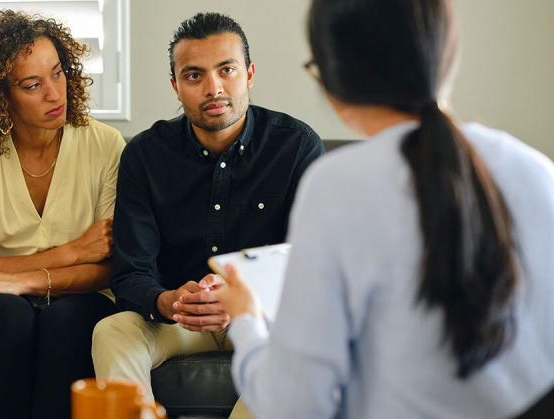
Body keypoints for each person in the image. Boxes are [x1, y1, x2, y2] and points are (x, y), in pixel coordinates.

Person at [214, 0, 554, 418]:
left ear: (333, 76)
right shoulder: (537, 171)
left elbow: (297, 405)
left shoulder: (336, 186)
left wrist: (246, 320)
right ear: (443, 55)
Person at [91, 12, 324, 418]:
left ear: (249, 74)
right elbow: (131, 271)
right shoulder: (145, 156)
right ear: (176, 86)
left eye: (227, 70)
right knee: (112, 331)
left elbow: (311, 264)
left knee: (300, 355)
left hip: (265, 322)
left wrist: (247, 300)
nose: (214, 88)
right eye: (194, 75)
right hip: (179, 319)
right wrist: (167, 301)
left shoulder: (297, 147)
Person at [0, 10, 125, 419]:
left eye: (58, 74)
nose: (55, 95)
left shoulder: (106, 145)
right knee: (8, 312)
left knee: (67, 318)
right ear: (0, 95)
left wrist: (24, 279)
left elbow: (110, 267)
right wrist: (73, 250)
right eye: (32, 85)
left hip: (80, 297)